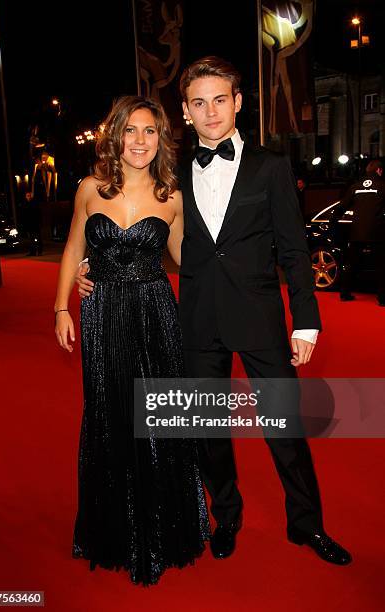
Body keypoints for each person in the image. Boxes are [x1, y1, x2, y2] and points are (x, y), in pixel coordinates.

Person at [77, 57, 351, 566]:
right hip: (197, 325)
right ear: (184, 111)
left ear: (238, 102)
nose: (210, 112)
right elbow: (129, 222)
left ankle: (306, 525)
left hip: (261, 321)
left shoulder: (270, 167)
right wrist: (88, 268)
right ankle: (227, 516)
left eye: (219, 100)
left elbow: (293, 252)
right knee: (208, 433)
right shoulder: (171, 175)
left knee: (285, 429)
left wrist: (306, 320)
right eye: (198, 103)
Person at [54, 95, 209, 586]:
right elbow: (75, 246)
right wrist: (62, 305)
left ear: (161, 138)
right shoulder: (89, 189)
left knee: (159, 420)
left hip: (156, 314)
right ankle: (113, 531)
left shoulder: (172, 197)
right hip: (101, 313)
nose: (140, 141)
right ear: (115, 135)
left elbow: (192, 262)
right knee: (108, 413)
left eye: (150, 131)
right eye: (131, 131)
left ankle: (164, 531)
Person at [334, 159, 385, 305]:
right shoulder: (383, 186)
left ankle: (344, 294)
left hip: (356, 231)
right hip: (376, 232)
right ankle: (382, 299)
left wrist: (335, 222)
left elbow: (341, 206)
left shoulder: (355, 187)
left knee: (352, 263)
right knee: (381, 265)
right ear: (379, 171)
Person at [24, 191, 43, 256]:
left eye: (29, 196)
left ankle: (39, 251)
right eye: (27, 196)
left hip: (35, 224)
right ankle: (32, 251)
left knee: (37, 238)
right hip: (29, 225)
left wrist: (39, 223)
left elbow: (38, 214)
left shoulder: (34, 204)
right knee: (31, 239)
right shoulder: (25, 204)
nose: (28, 197)